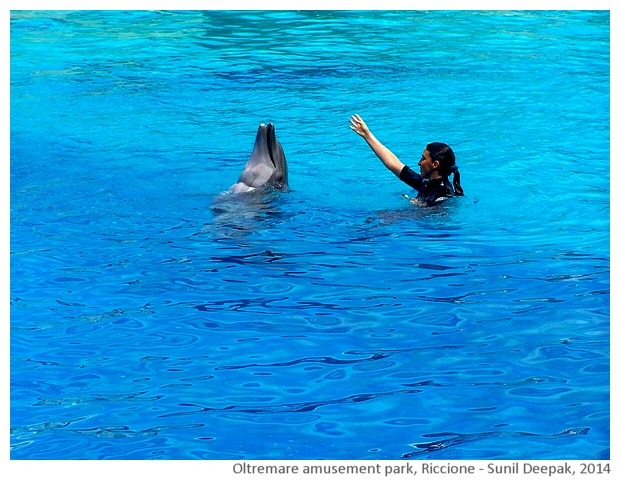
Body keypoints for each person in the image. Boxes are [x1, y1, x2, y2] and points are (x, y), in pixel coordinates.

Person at [349, 114, 463, 206]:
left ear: (435, 164)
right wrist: (367, 135)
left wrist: (419, 207)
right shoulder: (426, 182)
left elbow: (434, 217)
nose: (419, 162)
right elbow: (393, 163)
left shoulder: (444, 193)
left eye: (423, 158)